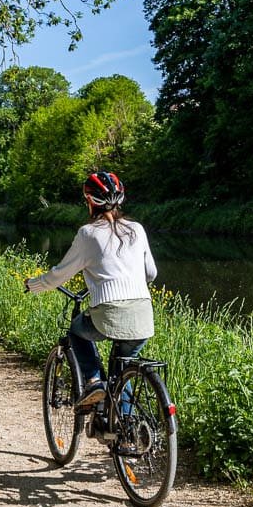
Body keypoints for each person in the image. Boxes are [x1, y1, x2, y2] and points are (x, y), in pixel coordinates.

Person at [24, 169, 157, 408]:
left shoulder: (88, 233)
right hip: (143, 315)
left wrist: (34, 285)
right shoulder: (137, 229)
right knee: (122, 374)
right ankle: (129, 436)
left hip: (108, 313)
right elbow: (151, 273)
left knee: (76, 331)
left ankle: (94, 380)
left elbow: (60, 274)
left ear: (89, 201)